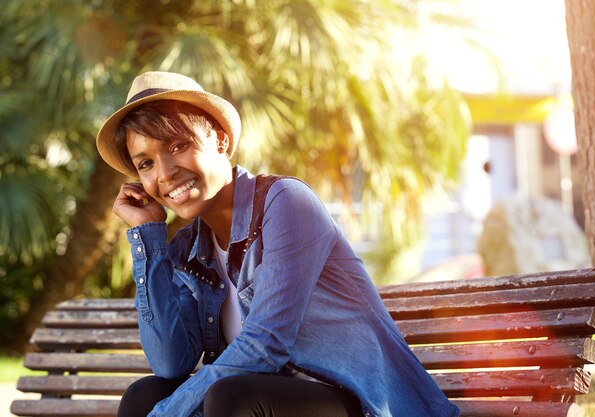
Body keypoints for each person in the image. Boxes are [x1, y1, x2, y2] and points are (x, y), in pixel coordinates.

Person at [96, 71, 459, 417]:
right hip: (272, 402)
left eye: (178, 145)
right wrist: (149, 238)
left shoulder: (285, 202)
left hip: (366, 404)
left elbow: (266, 343)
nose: (164, 173)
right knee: (144, 396)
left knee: (231, 397)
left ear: (220, 140)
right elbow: (170, 363)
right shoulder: (190, 248)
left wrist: (167, 414)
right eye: (146, 164)